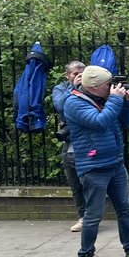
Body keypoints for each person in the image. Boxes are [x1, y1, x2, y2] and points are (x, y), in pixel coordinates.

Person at [63, 64, 129, 257]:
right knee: (93, 214)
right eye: (108, 85)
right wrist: (116, 99)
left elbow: (123, 123)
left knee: (125, 210)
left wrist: (128, 104)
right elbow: (100, 122)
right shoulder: (74, 103)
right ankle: (85, 255)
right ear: (94, 87)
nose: (112, 88)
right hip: (94, 166)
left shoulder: (104, 100)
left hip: (115, 163)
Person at [51, 60, 86, 232]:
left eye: (82, 73)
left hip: (87, 138)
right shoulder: (61, 89)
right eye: (75, 74)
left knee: (88, 180)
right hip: (70, 139)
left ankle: (91, 216)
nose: (80, 76)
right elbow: (59, 106)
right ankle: (83, 217)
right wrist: (74, 88)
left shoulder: (92, 87)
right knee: (74, 181)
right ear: (68, 76)